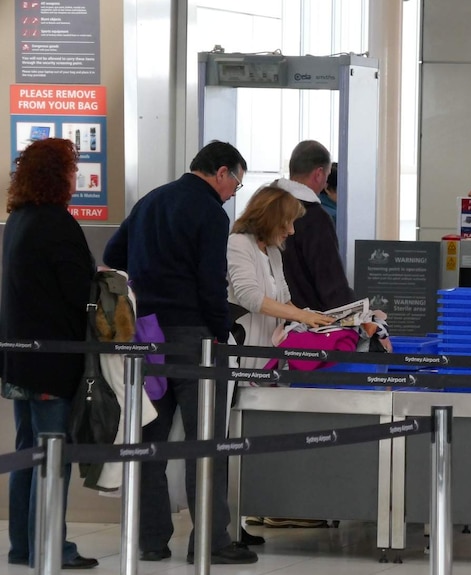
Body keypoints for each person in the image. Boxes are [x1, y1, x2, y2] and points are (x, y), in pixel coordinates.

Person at [103, 140, 258, 565]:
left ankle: (150, 539)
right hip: (195, 339)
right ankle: (209, 541)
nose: (232, 194)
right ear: (221, 172)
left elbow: (113, 255)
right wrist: (222, 330)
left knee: (149, 441)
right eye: (236, 184)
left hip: (146, 335)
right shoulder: (209, 212)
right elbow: (211, 281)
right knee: (205, 442)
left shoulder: (150, 201)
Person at [0, 138, 99, 569]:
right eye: (72, 170)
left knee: (28, 454)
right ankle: (50, 546)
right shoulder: (57, 223)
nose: (76, 177)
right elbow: (79, 292)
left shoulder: (17, 220)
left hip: (19, 360)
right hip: (52, 361)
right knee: (51, 456)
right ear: (58, 176)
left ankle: (23, 545)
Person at [227, 185, 334, 371]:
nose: (292, 231)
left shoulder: (273, 251)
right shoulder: (239, 243)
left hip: (269, 353)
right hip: (244, 350)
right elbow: (250, 297)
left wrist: (317, 319)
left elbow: (284, 299)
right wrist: (302, 315)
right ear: (270, 219)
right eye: (288, 222)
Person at [276, 140, 355, 311]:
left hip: (265, 317)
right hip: (307, 323)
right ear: (319, 174)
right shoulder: (315, 217)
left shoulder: (266, 206)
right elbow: (330, 283)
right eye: (327, 176)